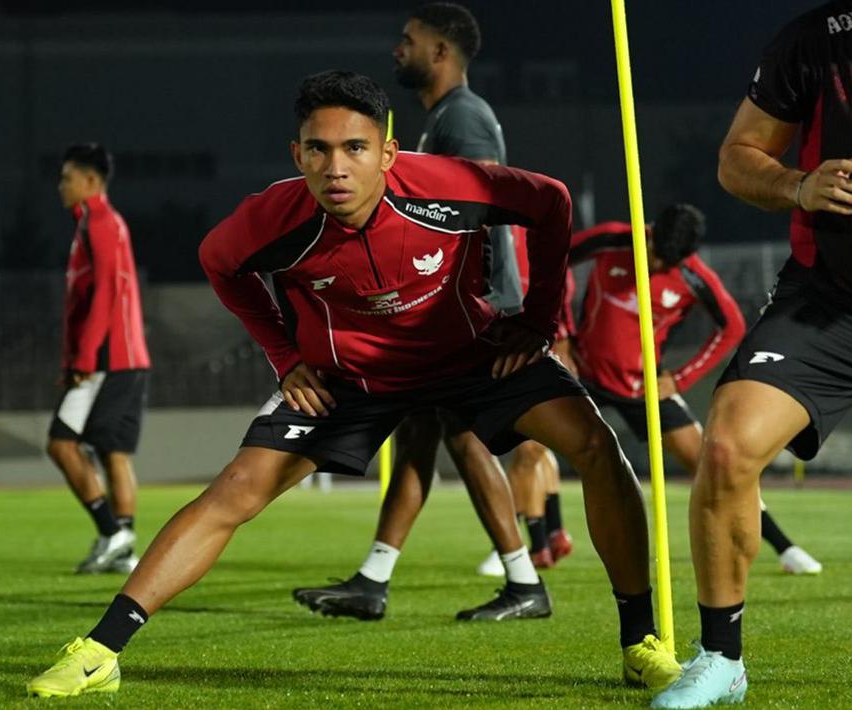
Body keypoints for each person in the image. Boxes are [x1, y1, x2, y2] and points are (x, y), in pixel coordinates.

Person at [27, 70, 680, 698]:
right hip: (348, 380)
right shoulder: (271, 220)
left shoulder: (448, 185)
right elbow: (217, 263)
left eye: (354, 148)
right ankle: (100, 651)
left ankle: (638, 641)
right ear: (297, 153)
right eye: (317, 149)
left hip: (471, 357)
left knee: (595, 445)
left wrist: (536, 322)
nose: (335, 167)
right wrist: (284, 356)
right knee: (236, 489)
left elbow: (549, 201)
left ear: (387, 151)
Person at [291, 2, 565, 625]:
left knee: (464, 438)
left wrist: (489, 309)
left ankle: (524, 581)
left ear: (441, 53)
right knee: (419, 435)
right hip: (456, 310)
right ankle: (374, 578)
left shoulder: (463, 119)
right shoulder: (443, 118)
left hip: (468, 312)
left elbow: (484, 215)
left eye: (409, 41)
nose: (398, 50)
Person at [655, 4, 852, 707]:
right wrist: (796, 185)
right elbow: (737, 157)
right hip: (825, 302)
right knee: (727, 446)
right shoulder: (816, 38)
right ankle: (720, 658)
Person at [570, 205, 821, 575]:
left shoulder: (692, 276)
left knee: (713, 465)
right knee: (531, 446)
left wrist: (681, 378)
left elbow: (732, 327)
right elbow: (551, 261)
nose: (655, 267)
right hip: (583, 373)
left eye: (666, 264)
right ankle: (529, 549)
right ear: (649, 231)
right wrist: (560, 335)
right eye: (654, 256)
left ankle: (785, 548)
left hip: (644, 387)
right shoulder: (611, 239)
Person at [47, 144, 152, 575]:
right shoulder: (93, 224)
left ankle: (113, 533)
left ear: (91, 181)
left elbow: (106, 293)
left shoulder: (101, 222)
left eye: (68, 178)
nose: (61, 186)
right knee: (114, 453)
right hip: (117, 356)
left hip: (111, 357)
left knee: (61, 442)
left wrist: (84, 357)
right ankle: (122, 548)